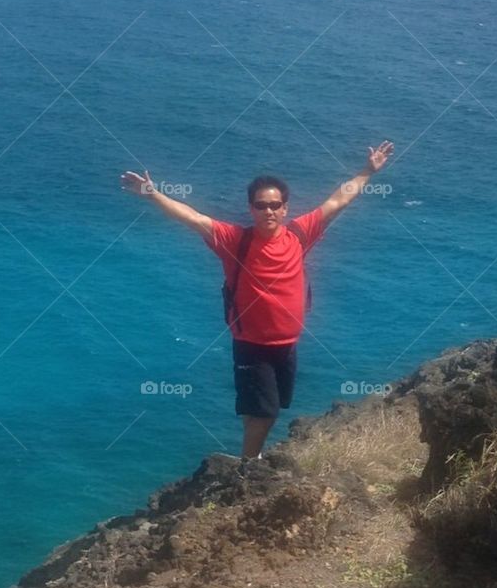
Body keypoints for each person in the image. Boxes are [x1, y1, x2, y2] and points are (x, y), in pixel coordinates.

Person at [120, 141, 394, 459]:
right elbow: (194, 218)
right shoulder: (235, 241)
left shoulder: (300, 235)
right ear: (251, 209)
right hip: (252, 344)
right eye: (261, 205)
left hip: (287, 344)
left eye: (275, 205)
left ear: (285, 208)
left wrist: (367, 171)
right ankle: (248, 468)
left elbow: (338, 200)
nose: (269, 211)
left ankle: (250, 457)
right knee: (265, 412)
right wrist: (153, 194)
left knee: (264, 409)